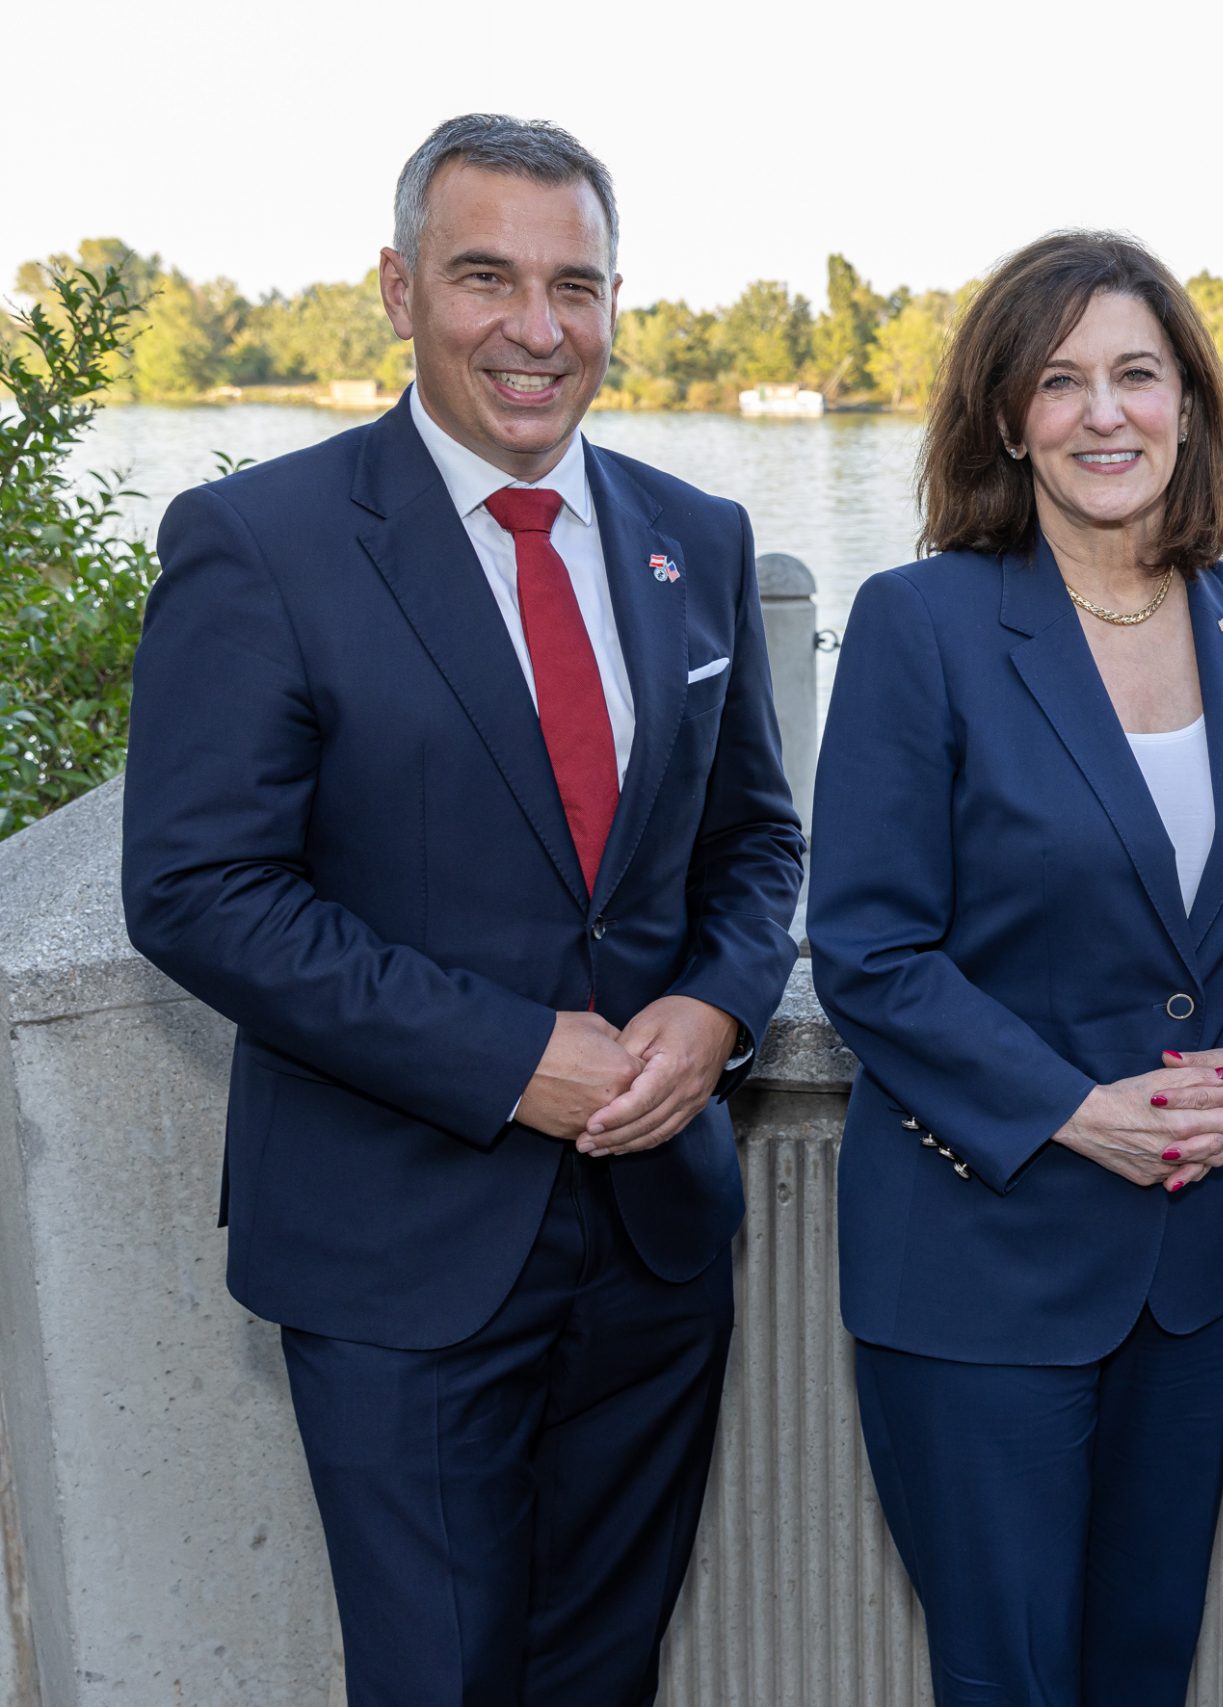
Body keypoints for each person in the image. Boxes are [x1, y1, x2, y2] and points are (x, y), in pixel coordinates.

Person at [120, 115, 805, 1704]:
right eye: (485, 275)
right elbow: (198, 889)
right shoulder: (262, 544)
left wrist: (715, 1010)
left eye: (576, 284)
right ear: (397, 285)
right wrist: (513, 1057)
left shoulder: (692, 542)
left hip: (653, 1242)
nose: (537, 327)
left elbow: (759, 842)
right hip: (395, 1242)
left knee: (603, 1669)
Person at [808, 230, 1223, 1707]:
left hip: (1193, 1265)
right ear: (1007, 421)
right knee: (1012, 1678)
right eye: (1061, 381)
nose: (1105, 414)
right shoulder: (927, 624)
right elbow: (865, 945)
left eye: (1137, 375)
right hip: (983, 1253)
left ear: (1190, 405)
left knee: (1141, 1668)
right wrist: (1066, 1109)